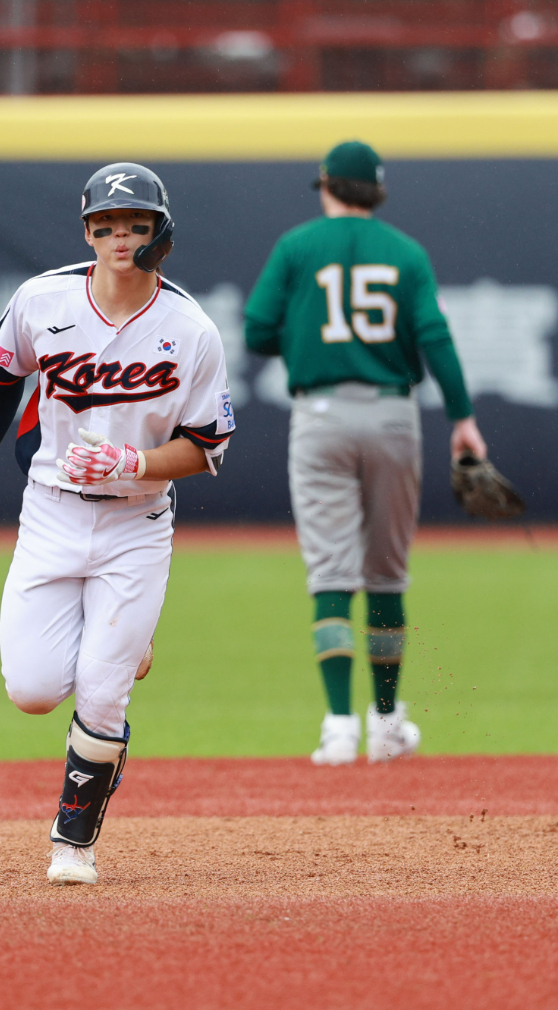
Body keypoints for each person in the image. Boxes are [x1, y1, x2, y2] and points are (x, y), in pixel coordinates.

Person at [0, 163, 234, 883]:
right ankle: (124, 641)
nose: (120, 238)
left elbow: (207, 448)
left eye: (136, 225)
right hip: (48, 514)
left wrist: (134, 465)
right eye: (106, 226)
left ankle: (72, 842)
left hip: (137, 524)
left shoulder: (191, 329)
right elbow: (1, 376)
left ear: (159, 234)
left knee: (103, 688)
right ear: (87, 232)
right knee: (32, 691)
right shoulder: (41, 299)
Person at [244, 141, 485, 766]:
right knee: (386, 572)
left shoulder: (297, 246)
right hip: (391, 413)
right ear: (375, 191)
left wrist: (306, 335)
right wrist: (462, 417)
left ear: (326, 186)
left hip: (320, 414)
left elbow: (256, 330)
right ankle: (385, 723)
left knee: (330, 574)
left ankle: (338, 725)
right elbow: (434, 335)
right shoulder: (405, 252)